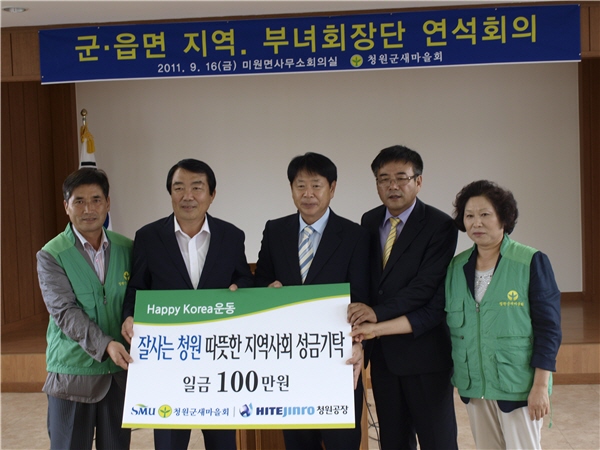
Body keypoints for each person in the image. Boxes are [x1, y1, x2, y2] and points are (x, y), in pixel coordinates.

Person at [121, 158, 253, 450]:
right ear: (170, 193)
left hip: (219, 357)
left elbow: (244, 278)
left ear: (212, 194)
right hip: (169, 359)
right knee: (170, 441)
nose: (187, 196)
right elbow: (137, 287)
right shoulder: (148, 237)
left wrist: (239, 290)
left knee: (222, 442)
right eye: (179, 188)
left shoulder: (231, 236)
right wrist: (129, 315)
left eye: (197, 187)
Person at [254, 152, 369, 450]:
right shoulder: (275, 230)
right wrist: (267, 289)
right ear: (291, 189)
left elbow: (362, 297)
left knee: (342, 442)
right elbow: (261, 281)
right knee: (298, 442)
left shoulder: (355, 235)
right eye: (300, 185)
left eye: (316, 185)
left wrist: (360, 344)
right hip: (289, 359)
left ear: (332, 188)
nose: (308, 194)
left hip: (338, 358)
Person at [347, 145, 459, 449]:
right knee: (393, 441)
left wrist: (376, 313)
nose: (392, 186)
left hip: (425, 353)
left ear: (418, 181)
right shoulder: (369, 220)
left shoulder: (440, 225)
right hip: (383, 356)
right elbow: (369, 279)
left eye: (401, 178)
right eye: (384, 179)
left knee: (437, 440)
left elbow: (424, 287)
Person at [445, 180, 562, 449]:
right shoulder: (456, 267)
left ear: (503, 218)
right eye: (469, 216)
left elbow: (549, 329)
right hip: (475, 386)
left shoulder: (530, 261)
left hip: (518, 386)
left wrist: (540, 386)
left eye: (485, 214)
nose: (476, 223)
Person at [37, 168, 133, 450]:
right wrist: (106, 345)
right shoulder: (52, 254)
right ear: (66, 206)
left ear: (108, 203)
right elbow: (64, 312)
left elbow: (139, 299)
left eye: (96, 199)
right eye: (79, 201)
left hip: (119, 375)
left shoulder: (128, 248)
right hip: (72, 376)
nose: (88, 209)